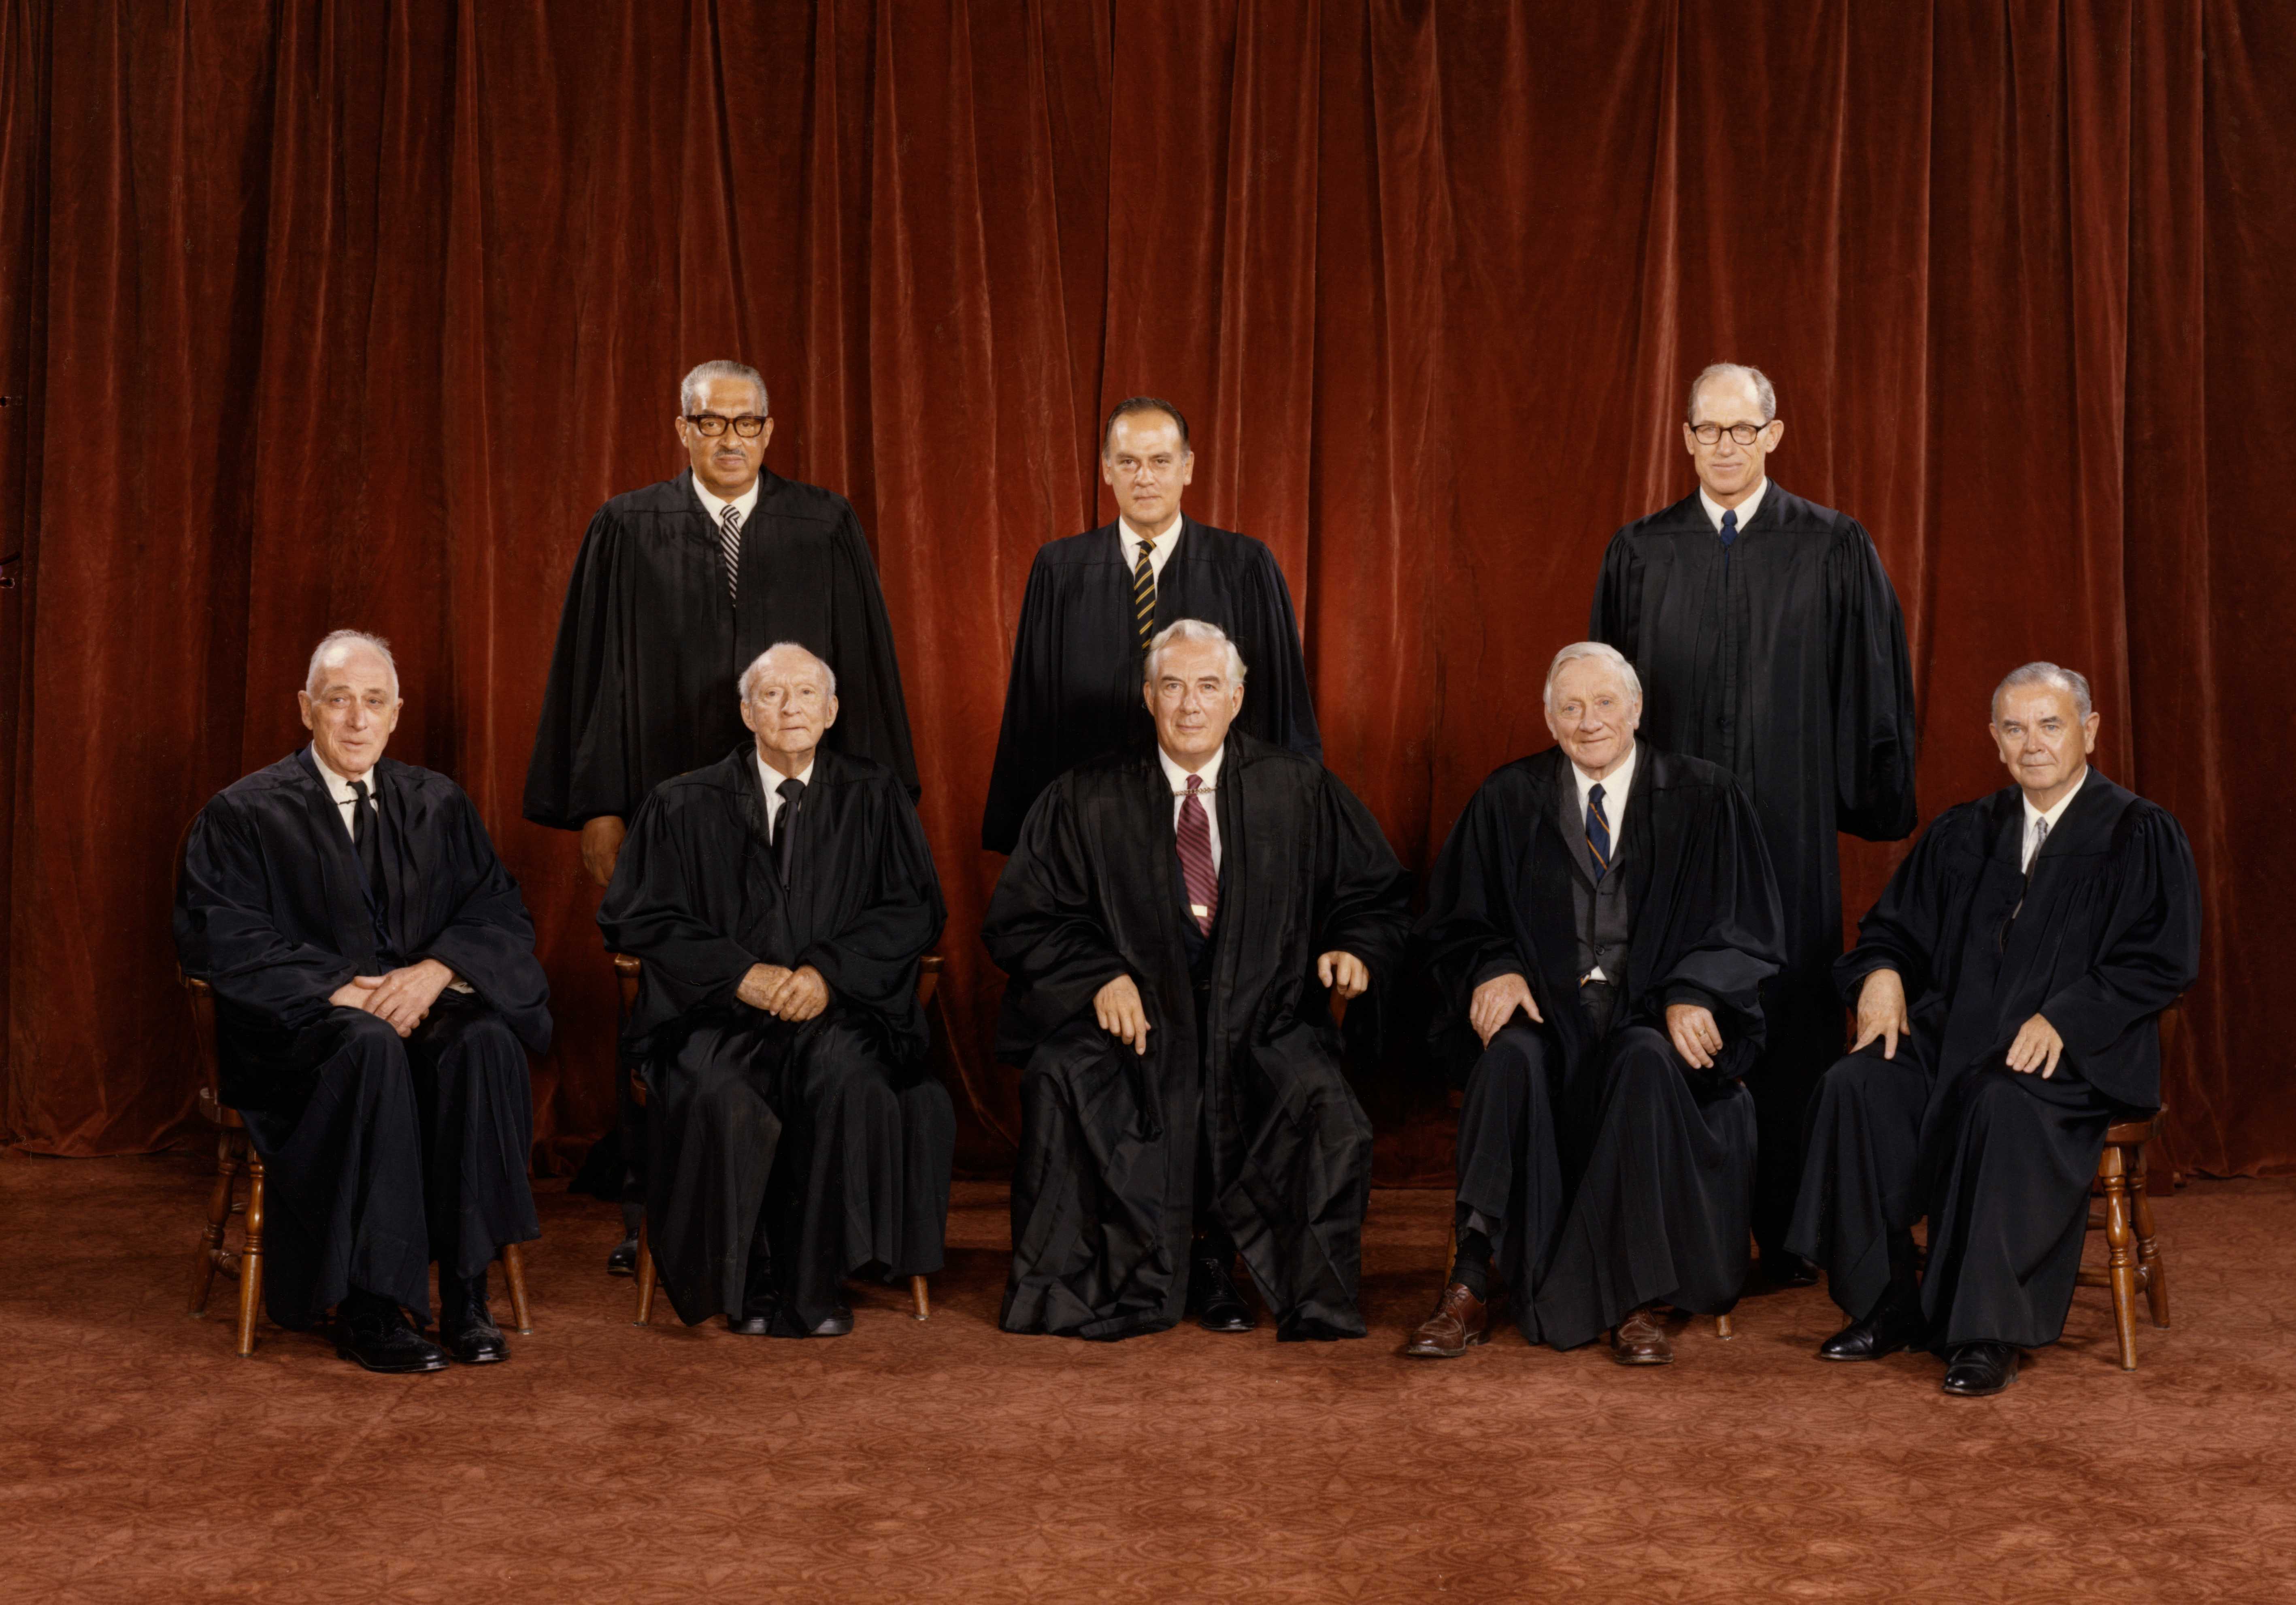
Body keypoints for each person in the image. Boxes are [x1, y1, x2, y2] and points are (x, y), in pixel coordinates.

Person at [525, 358, 919, 1273]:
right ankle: (657, 1205)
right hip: (679, 825)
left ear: (770, 432)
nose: (731, 439)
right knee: (677, 999)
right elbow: (594, 679)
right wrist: (600, 808)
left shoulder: (822, 524)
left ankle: (799, 1208)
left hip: (804, 813)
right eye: (712, 423)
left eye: (747, 424)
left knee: (807, 1018)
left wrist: (881, 810)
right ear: (682, 430)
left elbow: (863, 663)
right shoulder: (627, 527)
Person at [984, 619, 1409, 1341]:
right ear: (1147, 696)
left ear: (1237, 698)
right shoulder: (1086, 795)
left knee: (1326, 1107)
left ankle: (1223, 1262)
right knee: (1062, 1076)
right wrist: (1097, 975)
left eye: (1208, 686)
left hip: (1262, 1020)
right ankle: (1120, 1274)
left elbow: (1374, 893)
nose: (1190, 705)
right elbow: (1022, 917)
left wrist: (1353, 946)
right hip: (1137, 1027)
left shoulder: (1297, 788)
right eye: (1173, 685)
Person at [1786, 664, 2200, 1396]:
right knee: (1856, 1083)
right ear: (1995, 740)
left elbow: (2163, 957)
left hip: (2077, 1055)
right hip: (1957, 1039)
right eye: (2014, 727)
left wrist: (2065, 1017)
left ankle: (1986, 1329)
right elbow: (1890, 931)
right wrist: (1880, 974)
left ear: (2089, 730)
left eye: (2050, 724)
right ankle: (1889, 1299)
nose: (2032, 742)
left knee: (2003, 1103)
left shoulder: (2137, 831)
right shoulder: (1966, 830)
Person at [1590, 362, 1919, 1283]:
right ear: (1686, 437)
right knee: (1673, 1000)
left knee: (1793, 1004)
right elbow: (1604, 699)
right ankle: (1681, 1229)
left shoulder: (1831, 546)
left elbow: (1871, 686)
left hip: (1788, 823)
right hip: (1673, 833)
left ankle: (1787, 1231)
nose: (1725, 447)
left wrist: (1862, 794)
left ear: (1774, 435)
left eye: (1743, 430)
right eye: (1708, 430)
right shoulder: (1640, 552)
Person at [175, 631, 552, 1374]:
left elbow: (499, 914)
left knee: (482, 1041)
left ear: (396, 713)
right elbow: (225, 937)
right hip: (301, 1034)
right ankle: (370, 1302)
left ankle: (466, 1291)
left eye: (372, 702)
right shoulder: (244, 814)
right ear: (306, 709)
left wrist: (438, 970)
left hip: (420, 1010)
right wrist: (343, 988)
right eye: (338, 700)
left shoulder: (437, 803)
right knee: (369, 1046)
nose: (355, 719)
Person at [1405, 642, 1786, 1364]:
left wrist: (1694, 990)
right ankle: (1470, 1280)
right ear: (1548, 719)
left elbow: (1745, 924)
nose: (1589, 722)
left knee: (1646, 1058)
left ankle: (1639, 1294)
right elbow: (1457, 918)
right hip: (1551, 1016)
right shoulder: (1506, 799)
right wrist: (1493, 966)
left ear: (1636, 709)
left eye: (1605, 703)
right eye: (1570, 707)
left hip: (1649, 1017)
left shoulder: (1707, 797)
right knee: (1508, 1055)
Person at [597, 643, 951, 1337]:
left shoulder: (874, 795)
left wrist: (828, 972)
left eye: (805, 694)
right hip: (717, 1014)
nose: (790, 708)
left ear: (832, 710)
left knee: (846, 1078)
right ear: (745, 711)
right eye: (771, 695)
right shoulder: (682, 801)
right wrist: (740, 973)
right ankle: (747, 1278)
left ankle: (815, 1281)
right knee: (716, 1090)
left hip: (838, 1010)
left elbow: (915, 908)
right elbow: (636, 913)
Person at [980, 398, 1321, 855]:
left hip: (1220, 823)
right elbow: (1033, 715)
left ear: (1187, 467)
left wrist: (1289, 815)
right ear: (1106, 469)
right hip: (1093, 825)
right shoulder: (1059, 571)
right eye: (1128, 462)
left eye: (1160, 461)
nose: (1144, 477)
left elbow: (1282, 706)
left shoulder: (1244, 567)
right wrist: (1032, 832)